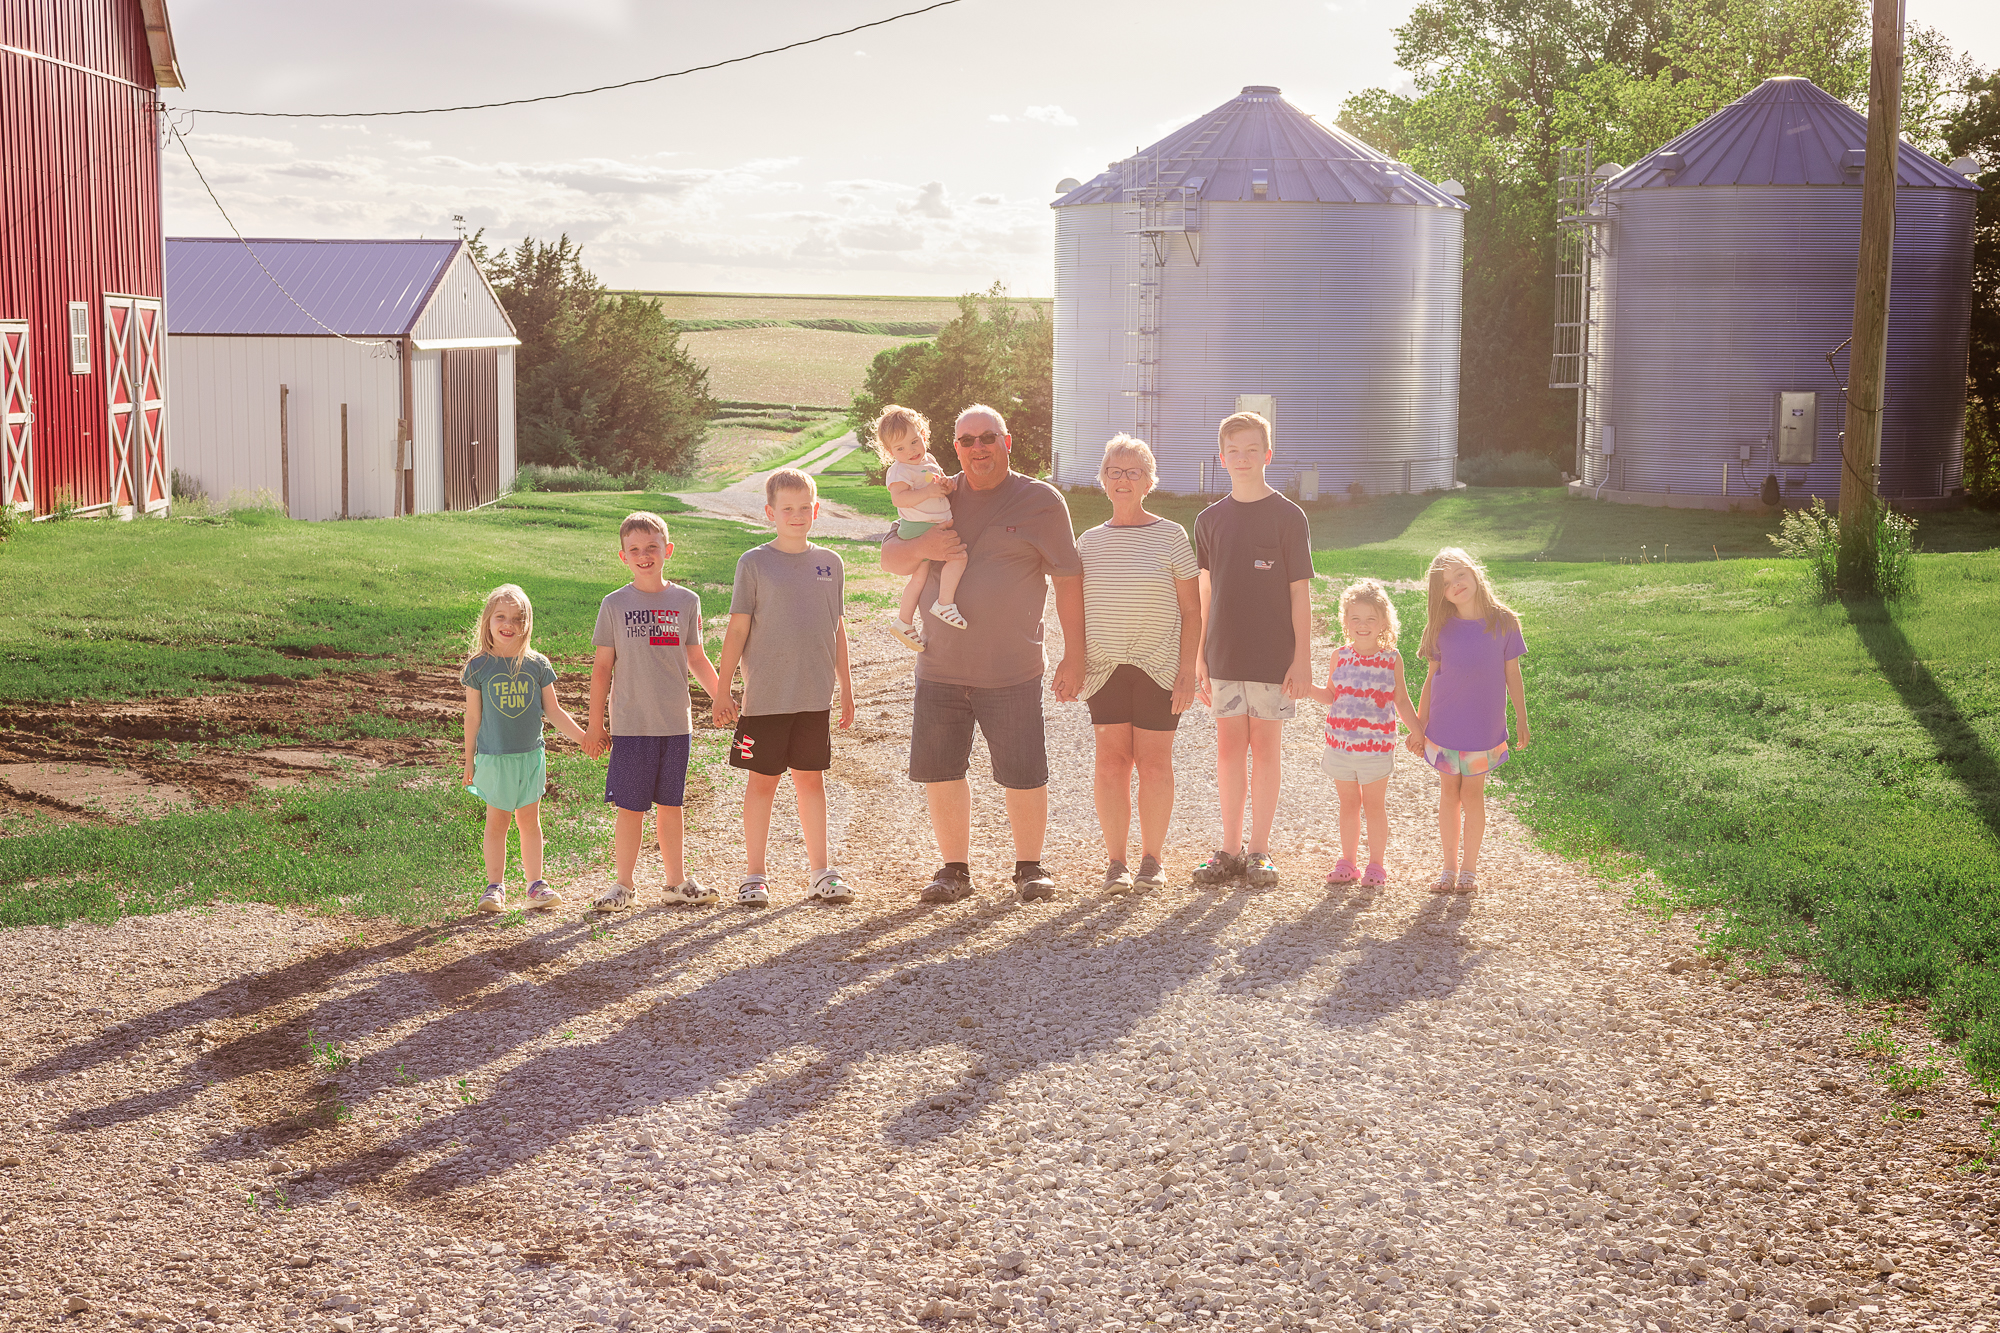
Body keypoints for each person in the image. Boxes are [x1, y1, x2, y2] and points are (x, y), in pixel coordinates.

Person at [878, 403, 1085, 904]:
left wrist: (1074, 654)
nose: (978, 448)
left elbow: (1069, 578)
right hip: (940, 666)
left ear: (1007, 442)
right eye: (967, 440)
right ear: (955, 448)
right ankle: (954, 870)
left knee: (1024, 771)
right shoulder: (938, 493)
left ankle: (1029, 867)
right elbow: (890, 558)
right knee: (943, 771)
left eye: (987, 437)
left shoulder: (1041, 501)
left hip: (1010, 668)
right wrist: (925, 542)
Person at [711, 469, 858, 907]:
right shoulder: (754, 563)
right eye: (786, 508)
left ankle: (821, 872)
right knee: (762, 782)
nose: (796, 515)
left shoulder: (831, 563)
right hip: (765, 700)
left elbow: (837, 629)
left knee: (811, 781)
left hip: (814, 698)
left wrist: (846, 689)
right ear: (770, 512)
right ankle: (755, 874)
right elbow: (737, 630)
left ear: (816, 509)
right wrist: (722, 689)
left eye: (804, 507)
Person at [1192, 410, 1313, 889]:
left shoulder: (1288, 516)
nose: (1243, 458)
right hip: (1223, 653)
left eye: (1252, 450)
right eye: (1233, 451)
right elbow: (1205, 592)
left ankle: (1260, 850)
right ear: (1222, 459)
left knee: (1264, 750)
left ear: (1268, 454)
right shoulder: (1208, 520)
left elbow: (1299, 592)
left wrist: (1302, 657)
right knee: (1228, 751)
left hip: (1272, 656)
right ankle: (1229, 848)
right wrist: (1199, 655)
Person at [1074, 435, 1200, 893]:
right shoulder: (1087, 542)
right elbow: (1072, 607)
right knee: (1110, 764)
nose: (1122, 480)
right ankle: (1116, 863)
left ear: (1149, 481)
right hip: (1104, 668)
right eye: (1114, 471)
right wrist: (1071, 661)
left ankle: (1152, 859)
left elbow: (1192, 610)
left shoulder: (1170, 535)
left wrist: (1188, 671)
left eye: (1133, 472)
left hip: (1160, 668)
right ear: (1103, 479)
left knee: (1153, 765)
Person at [585, 511, 726, 911]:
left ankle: (676, 883)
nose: (644, 555)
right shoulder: (614, 604)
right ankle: (624, 886)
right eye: (635, 550)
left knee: (671, 805)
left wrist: (721, 696)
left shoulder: (686, 601)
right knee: (631, 809)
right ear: (623, 556)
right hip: (631, 725)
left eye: (652, 547)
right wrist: (596, 724)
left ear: (668, 550)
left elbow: (696, 658)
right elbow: (601, 670)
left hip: (674, 723)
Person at [461, 584, 591, 913]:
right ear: (488, 622)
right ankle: (494, 888)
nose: (509, 624)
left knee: (530, 822)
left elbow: (555, 712)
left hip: (530, 757)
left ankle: (536, 885)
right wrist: (468, 764)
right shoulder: (478, 667)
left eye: (517, 618)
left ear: (527, 623)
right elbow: (472, 718)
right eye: (501, 617)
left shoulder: (537, 665)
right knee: (497, 823)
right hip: (493, 759)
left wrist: (584, 738)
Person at [1410, 547, 1531, 893]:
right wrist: (1419, 727)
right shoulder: (1440, 628)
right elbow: (1432, 679)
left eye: (1460, 574)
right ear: (1441, 594)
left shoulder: (1504, 622)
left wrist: (1521, 718)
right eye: (1446, 583)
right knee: (1449, 793)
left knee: (1473, 794)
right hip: (1444, 728)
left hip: (1483, 729)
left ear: (1474, 572)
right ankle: (1448, 868)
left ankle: (1469, 870)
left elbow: (1513, 674)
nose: (1456, 584)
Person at [1303, 578, 1422, 890]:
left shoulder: (1391, 659)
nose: (1363, 625)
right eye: (1355, 618)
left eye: (1371, 618)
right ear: (1345, 621)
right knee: (1348, 804)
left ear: (1383, 621)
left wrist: (1418, 731)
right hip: (1340, 745)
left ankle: (1376, 865)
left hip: (1376, 748)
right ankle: (1347, 862)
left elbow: (1401, 700)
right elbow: (1331, 695)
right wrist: (1307, 690)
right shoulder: (1339, 656)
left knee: (1373, 805)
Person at [874, 404, 968, 649]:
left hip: (929, 525)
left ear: (924, 435)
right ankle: (945, 603)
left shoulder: (929, 460)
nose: (911, 450)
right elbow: (899, 499)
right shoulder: (899, 471)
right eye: (901, 448)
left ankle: (903, 621)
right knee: (958, 557)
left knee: (919, 579)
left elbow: (937, 486)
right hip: (919, 527)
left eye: (915, 442)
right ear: (890, 451)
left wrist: (945, 486)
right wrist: (928, 491)